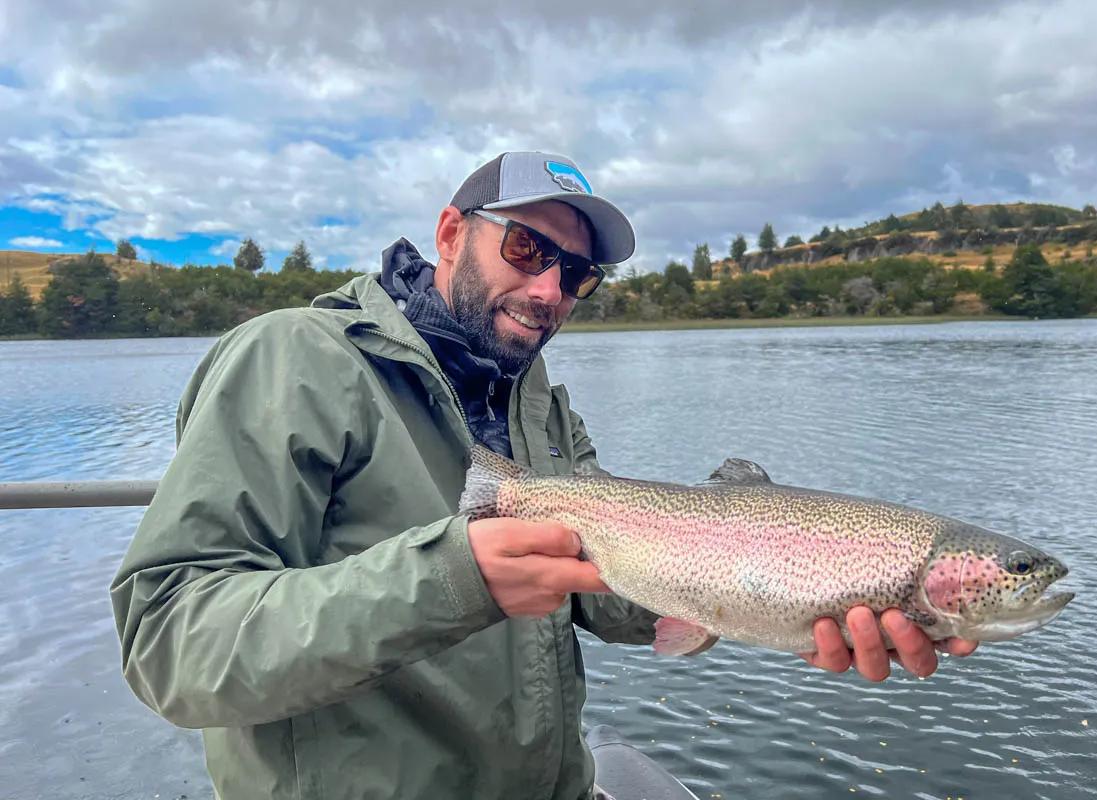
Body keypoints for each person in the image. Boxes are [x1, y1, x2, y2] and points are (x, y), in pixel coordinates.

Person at [110, 151, 977, 800]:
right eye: (527, 247)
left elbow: (599, 592)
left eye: (578, 274)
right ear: (451, 232)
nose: (550, 288)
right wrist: (450, 578)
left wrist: (784, 596)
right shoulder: (292, 358)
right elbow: (169, 638)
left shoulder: (538, 403)